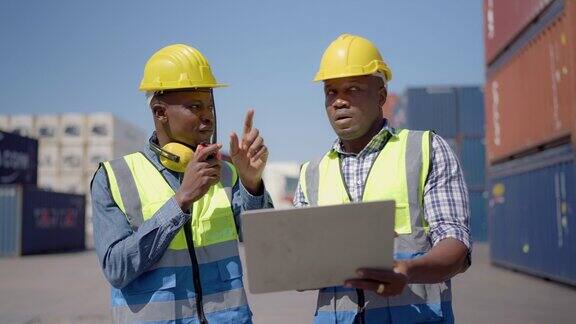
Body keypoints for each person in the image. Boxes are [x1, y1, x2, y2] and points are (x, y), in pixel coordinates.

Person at [294, 34, 471, 323]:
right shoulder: (311, 174)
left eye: (352, 89)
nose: (338, 101)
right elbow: (301, 267)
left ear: (381, 96)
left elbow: (457, 247)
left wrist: (408, 270)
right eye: (330, 91)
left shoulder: (425, 150)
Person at [91, 44, 272, 323]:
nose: (208, 116)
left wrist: (251, 185)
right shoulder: (114, 178)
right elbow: (116, 267)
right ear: (160, 112)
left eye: (210, 106)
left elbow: (268, 251)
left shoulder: (227, 174)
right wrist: (180, 202)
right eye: (195, 106)